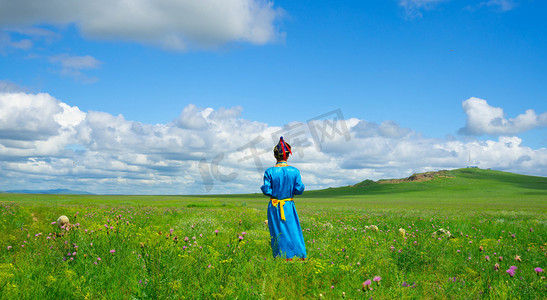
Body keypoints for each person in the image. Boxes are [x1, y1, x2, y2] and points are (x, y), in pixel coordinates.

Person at [260, 137, 307, 260]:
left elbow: (267, 190)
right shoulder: (294, 171)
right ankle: (298, 256)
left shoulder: (269, 171)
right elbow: (299, 189)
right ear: (288, 156)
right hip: (288, 205)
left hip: (274, 205)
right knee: (293, 230)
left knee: (277, 231)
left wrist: (274, 191)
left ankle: (280, 256)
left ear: (275, 156)